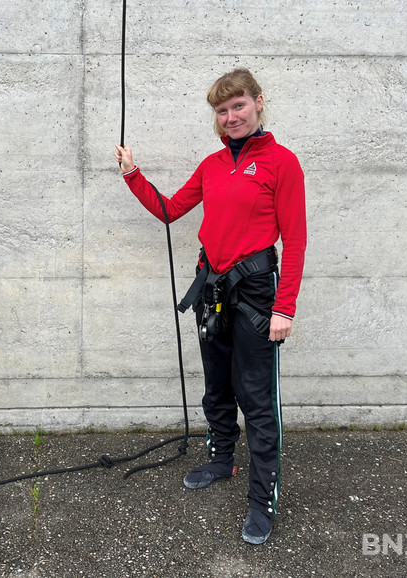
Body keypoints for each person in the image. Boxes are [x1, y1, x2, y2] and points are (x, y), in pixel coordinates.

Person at [114, 68, 306, 545]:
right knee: (217, 384)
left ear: (258, 103)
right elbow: (169, 210)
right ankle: (222, 458)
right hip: (213, 290)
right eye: (221, 111)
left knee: (257, 397)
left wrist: (285, 308)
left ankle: (263, 497)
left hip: (258, 294)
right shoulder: (212, 165)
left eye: (237, 106)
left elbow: (296, 240)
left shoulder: (282, 163)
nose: (230, 116)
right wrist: (132, 175)